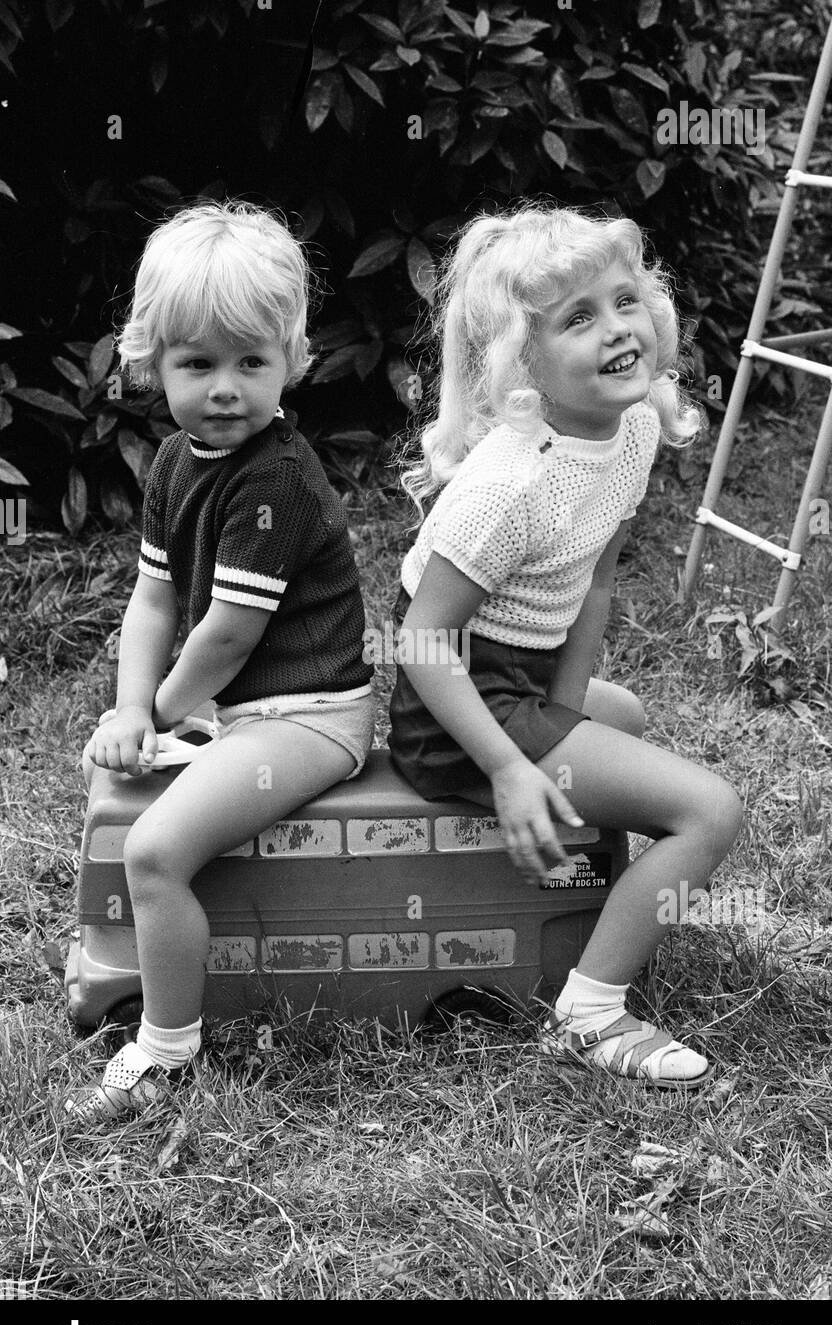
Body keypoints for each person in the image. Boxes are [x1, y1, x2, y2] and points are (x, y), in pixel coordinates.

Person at [387, 205, 744, 1089]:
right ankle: (591, 1012)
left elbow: (597, 579)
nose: (617, 329)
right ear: (523, 363)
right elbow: (423, 640)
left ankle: (589, 904)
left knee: (625, 715)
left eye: (624, 300)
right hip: (457, 703)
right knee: (711, 810)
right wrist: (513, 767)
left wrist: (569, 706)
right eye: (577, 319)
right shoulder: (512, 482)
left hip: (530, 678)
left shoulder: (632, 427)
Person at [66, 201, 375, 1128]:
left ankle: (167, 1049)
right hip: (234, 708)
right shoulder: (172, 461)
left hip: (306, 717)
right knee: (110, 780)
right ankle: (131, 950)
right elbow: (156, 599)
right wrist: (133, 711)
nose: (228, 389)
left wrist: (159, 714)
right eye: (198, 364)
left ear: (295, 361)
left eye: (253, 362)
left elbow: (229, 634)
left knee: (156, 851)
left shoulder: (275, 476)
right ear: (149, 363)